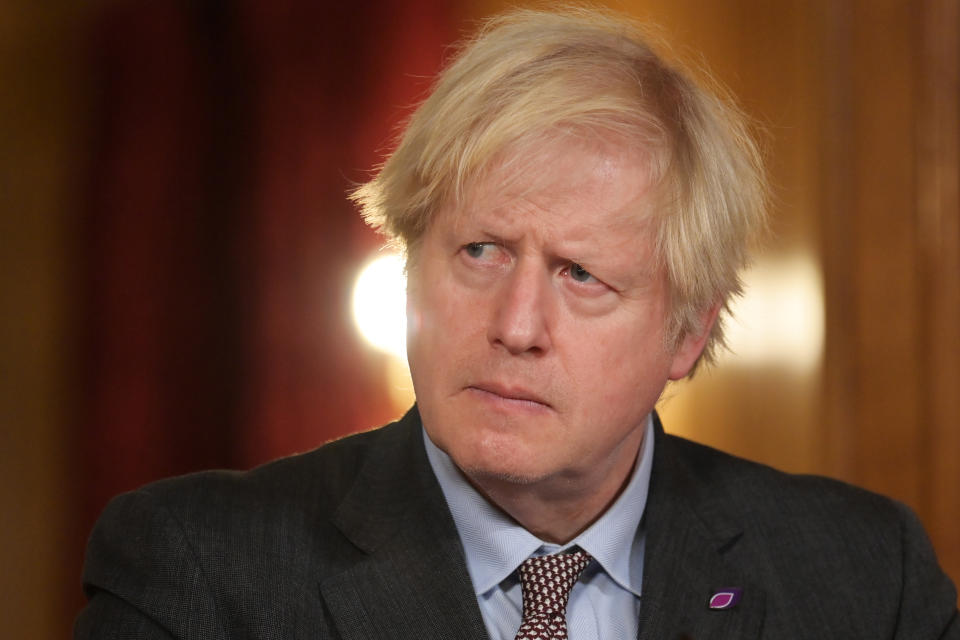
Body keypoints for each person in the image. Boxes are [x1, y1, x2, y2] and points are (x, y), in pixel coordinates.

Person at [75, 7, 958, 639]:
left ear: (688, 334)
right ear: (409, 262)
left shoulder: (867, 577)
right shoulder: (197, 572)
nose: (517, 325)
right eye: (482, 252)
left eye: (581, 275)